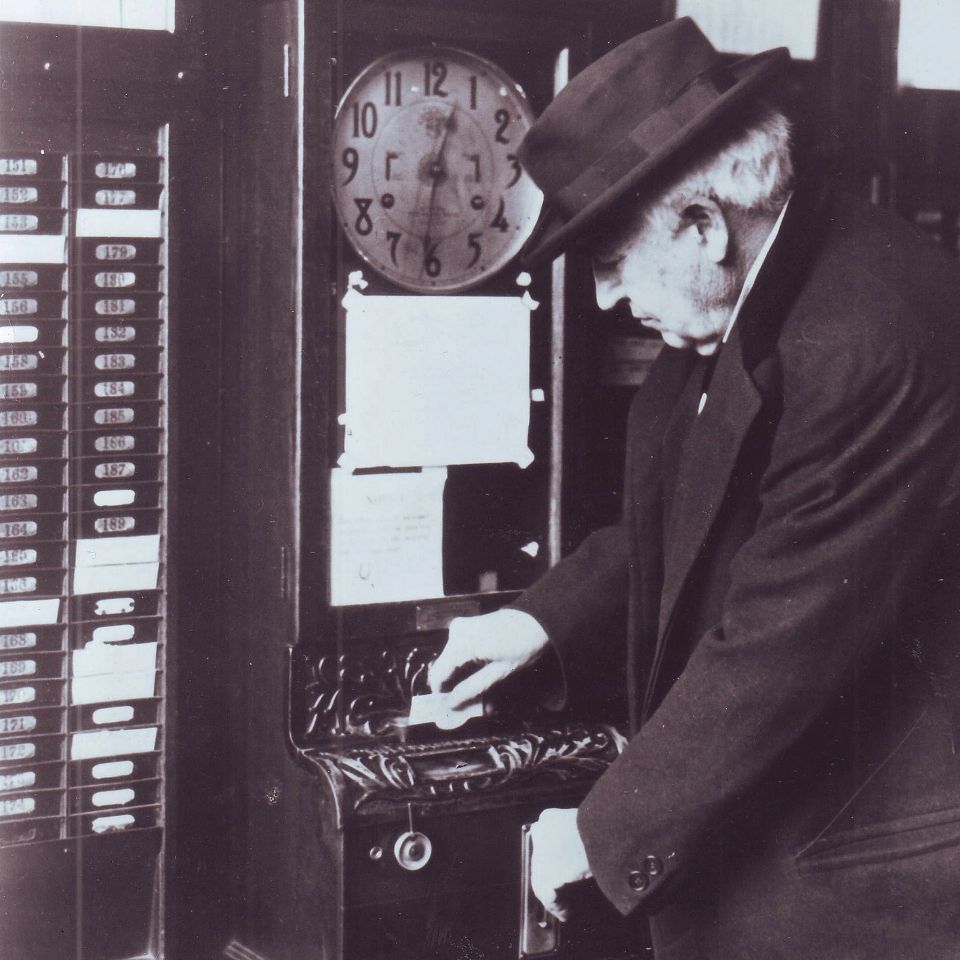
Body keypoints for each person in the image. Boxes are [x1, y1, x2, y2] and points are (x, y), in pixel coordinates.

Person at [428, 16, 960, 960]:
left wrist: (597, 834)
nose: (602, 299)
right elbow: (691, 516)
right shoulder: (736, 300)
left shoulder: (872, 338)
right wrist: (538, 620)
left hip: (863, 873)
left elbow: (778, 642)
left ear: (704, 226)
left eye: (610, 259)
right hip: (784, 831)